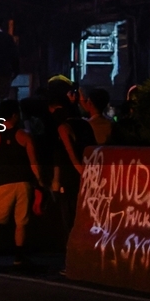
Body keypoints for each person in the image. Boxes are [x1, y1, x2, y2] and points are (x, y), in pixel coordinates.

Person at [0, 100, 43, 266]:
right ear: (15, 115)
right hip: (24, 183)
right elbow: (34, 163)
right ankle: (19, 255)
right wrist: (38, 183)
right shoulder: (25, 136)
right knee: (21, 221)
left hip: (3, 184)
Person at [50, 95, 95, 240]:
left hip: (71, 176)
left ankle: (71, 243)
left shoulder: (63, 128)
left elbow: (70, 155)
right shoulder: (85, 124)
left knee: (68, 212)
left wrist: (57, 181)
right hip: (89, 173)